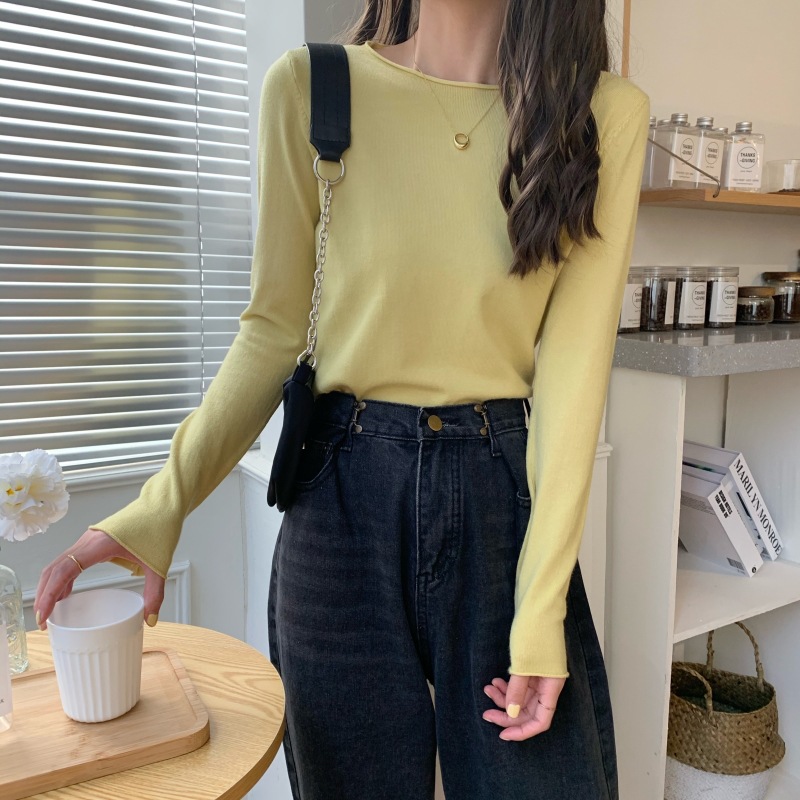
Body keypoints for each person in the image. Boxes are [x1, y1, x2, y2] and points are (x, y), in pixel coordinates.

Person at [34, 0, 649, 797]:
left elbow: (574, 373)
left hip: (501, 507)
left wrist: (540, 610)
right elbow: (273, 331)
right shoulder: (314, 89)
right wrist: (160, 507)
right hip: (340, 506)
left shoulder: (600, 113)